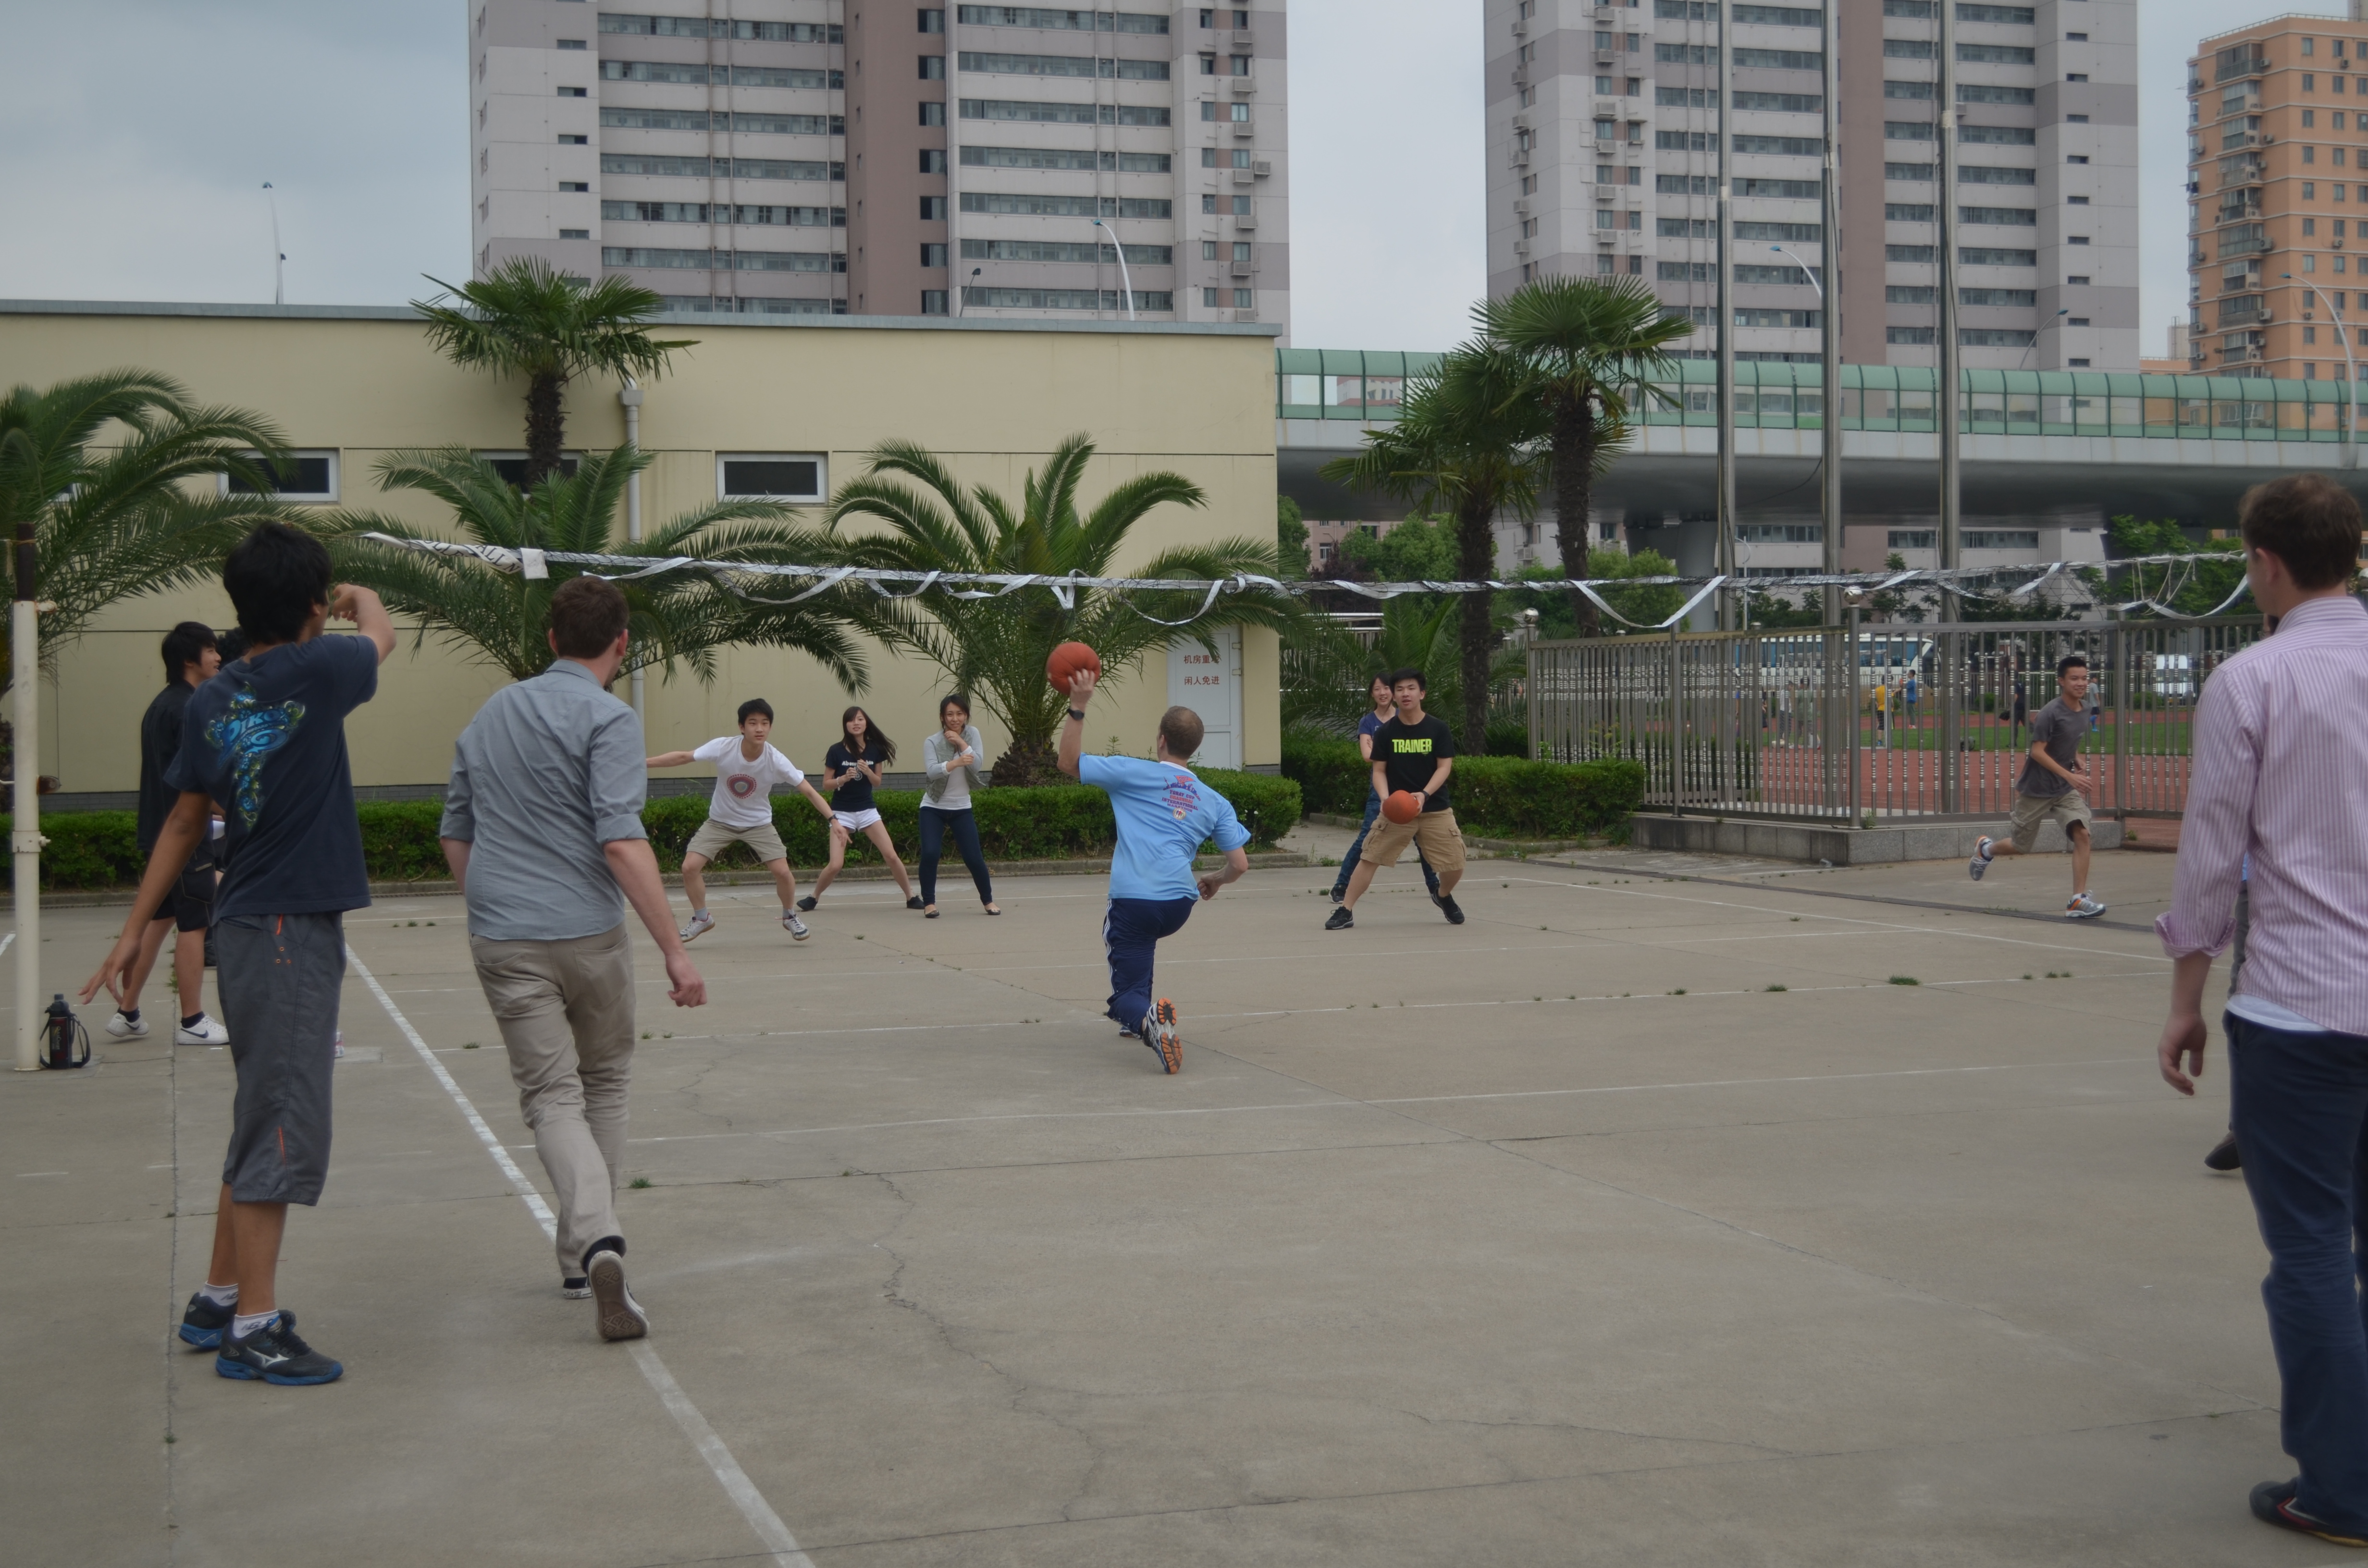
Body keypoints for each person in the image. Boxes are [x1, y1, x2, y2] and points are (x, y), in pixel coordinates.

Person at [82, 523, 395, 1387]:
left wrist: (131, 929)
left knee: (260, 1112)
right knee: (282, 1120)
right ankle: (256, 1328)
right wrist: (358, 597)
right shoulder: (322, 667)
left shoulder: (211, 697)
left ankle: (219, 1296)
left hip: (252, 921)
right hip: (289, 927)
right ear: (310, 606)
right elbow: (382, 632)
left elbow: (185, 820)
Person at [2153, 472, 2368, 1548]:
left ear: (2266, 562)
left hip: (2301, 1009)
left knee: (2313, 1251)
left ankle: (2340, 1488)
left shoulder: (2252, 678)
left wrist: (2185, 998)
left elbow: (2210, 855)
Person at [441, 576, 708, 1339]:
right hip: (589, 935)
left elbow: (455, 832)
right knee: (605, 1085)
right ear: (622, 644)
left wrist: (492, 904)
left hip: (504, 937)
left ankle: (582, 1249)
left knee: (551, 1097)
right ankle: (597, 1242)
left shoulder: (491, 714)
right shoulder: (611, 719)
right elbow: (620, 839)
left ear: (552, 639)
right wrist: (675, 950)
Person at [1057, 666, 1250, 1074]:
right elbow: (1239, 864)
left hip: (1135, 898)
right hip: (1179, 903)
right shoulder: (1214, 800)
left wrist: (1078, 706)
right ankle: (1141, 1016)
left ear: (1161, 739)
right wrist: (1215, 880)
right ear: (1194, 747)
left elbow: (1068, 763)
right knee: (1144, 945)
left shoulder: (1133, 772)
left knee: (1124, 992)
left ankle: (1145, 1022)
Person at [106, 621, 228, 1047]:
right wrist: (234, 808)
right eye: (211, 650)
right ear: (190, 660)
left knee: (158, 923)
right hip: (182, 838)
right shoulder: (189, 708)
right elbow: (199, 783)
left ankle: (127, 1012)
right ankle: (193, 1020)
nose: (218, 657)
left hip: (157, 834)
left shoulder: (162, 705)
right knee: (195, 924)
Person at [646, 698, 834, 943]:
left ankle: (790, 916)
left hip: (759, 824)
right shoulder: (724, 747)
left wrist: (834, 820)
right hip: (720, 822)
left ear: (770, 727)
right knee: (689, 867)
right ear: (742, 727)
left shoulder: (776, 759)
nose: (759, 729)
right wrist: (644, 764)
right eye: (753, 723)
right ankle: (702, 918)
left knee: (783, 872)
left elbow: (808, 790)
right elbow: (683, 757)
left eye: (765, 723)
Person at [1324, 668, 1467, 930]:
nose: (1405, 694)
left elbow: (1444, 767)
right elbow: (1379, 770)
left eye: (1411, 688)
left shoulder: (1438, 729)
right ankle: (1346, 910)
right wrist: (1386, 798)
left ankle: (1443, 896)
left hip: (1434, 808)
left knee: (1456, 864)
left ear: (1422, 693)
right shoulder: (1386, 732)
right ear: (1394, 696)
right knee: (1369, 857)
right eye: (1399, 689)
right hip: (1396, 810)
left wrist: (1424, 794)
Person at [1966, 652, 2106, 919]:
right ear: (2061, 681)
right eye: (2074, 679)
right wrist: (2070, 776)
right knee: (2021, 846)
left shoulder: (2086, 709)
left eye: (2084, 678)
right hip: (2037, 788)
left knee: (2082, 834)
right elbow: (2037, 752)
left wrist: (2075, 757)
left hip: (2063, 790)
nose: (2080, 683)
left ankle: (2077, 900)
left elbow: (2069, 738)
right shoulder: (2049, 713)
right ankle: (1986, 850)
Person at [1328, 674, 1439, 906]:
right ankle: (1341, 885)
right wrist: (1385, 753)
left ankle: (1435, 887)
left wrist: (1382, 749)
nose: (1383, 693)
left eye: (1387, 688)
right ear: (1372, 693)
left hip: (1413, 790)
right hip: (1382, 792)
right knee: (1367, 838)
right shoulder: (1368, 722)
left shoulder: (1405, 718)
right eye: (1377, 689)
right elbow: (1368, 755)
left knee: (1423, 840)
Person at [800, 705, 921, 912]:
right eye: (851, 720)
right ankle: (813, 897)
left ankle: (911, 897)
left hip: (867, 811)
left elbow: (877, 782)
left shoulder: (875, 749)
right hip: (841, 813)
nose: (856, 724)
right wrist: (843, 779)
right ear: (846, 725)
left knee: (891, 856)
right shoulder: (836, 750)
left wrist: (867, 772)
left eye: (860, 719)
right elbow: (826, 784)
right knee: (836, 864)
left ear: (866, 723)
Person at [918, 694, 998, 918]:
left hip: (962, 808)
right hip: (933, 807)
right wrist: (955, 763)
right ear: (942, 717)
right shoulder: (932, 741)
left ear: (966, 716)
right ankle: (929, 904)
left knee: (974, 858)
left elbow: (977, 765)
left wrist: (962, 743)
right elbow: (932, 771)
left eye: (960, 714)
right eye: (950, 714)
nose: (955, 719)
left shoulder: (973, 734)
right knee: (931, 853)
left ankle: (989, 901)